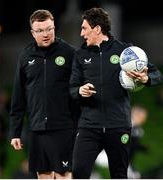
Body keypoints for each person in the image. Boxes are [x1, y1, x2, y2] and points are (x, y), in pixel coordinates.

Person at [70, 7, 163, 179]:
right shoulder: (80, 55)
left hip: (118, 125)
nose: (81, 33)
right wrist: (79, 90)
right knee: (79, 172)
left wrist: (146, 79)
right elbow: (72, 89)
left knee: (119, 175)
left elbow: (157, 75)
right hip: (89, 126)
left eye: (84, 28)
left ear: (97, 28)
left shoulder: (126, 52)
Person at [9, 9, 77, 179]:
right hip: (38, 128)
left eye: (49, 29)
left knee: (63, 175)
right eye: (40, 31)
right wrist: (15, 132)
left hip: (64, 127)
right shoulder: (25, 56)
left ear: (54, 27)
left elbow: (79, 90)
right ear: (33, 33)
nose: (45, 34)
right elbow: (18, 97)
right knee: (44, 176)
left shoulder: (69, 53)